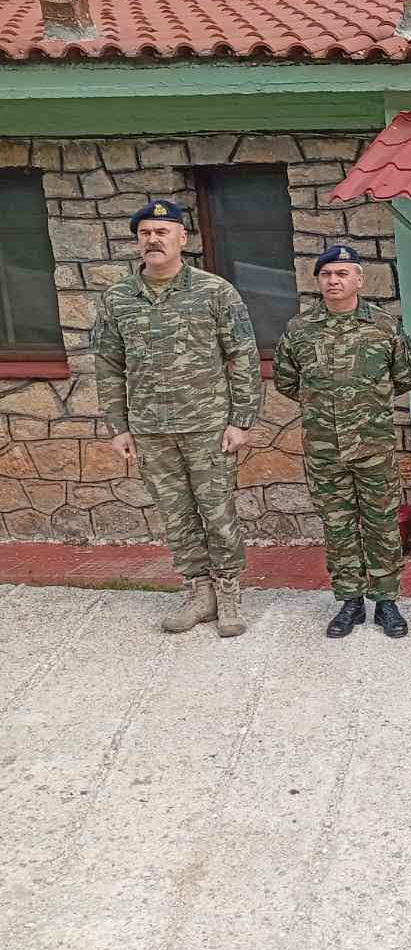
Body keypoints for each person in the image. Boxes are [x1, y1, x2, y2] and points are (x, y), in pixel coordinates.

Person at [92, 199, 261, 637]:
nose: (153, 240)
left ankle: (228, 593)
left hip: (207, 425)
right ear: (138, 241)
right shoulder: (118, 298)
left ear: (182, 238)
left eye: (162, 232)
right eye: (145, 233)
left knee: (217, 511)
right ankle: (199, 592)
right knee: (175, 513)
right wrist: (118, 426)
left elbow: (242, 355)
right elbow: (108, 365)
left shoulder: (215, 291)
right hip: (150, 430)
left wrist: (241, 420)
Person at [274, 245, 411, 639]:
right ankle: (350, 601)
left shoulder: (384, 326)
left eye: (342, 274)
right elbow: (287, 380)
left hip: (373, 447)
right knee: (337, 525)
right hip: (324, 449)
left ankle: (386, 601)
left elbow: (407, 375)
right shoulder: (299, 329)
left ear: (359, 279)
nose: (333, 281)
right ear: (318, 281)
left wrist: (363, 403)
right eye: (326, 274)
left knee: (382, 523)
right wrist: (327, 405)